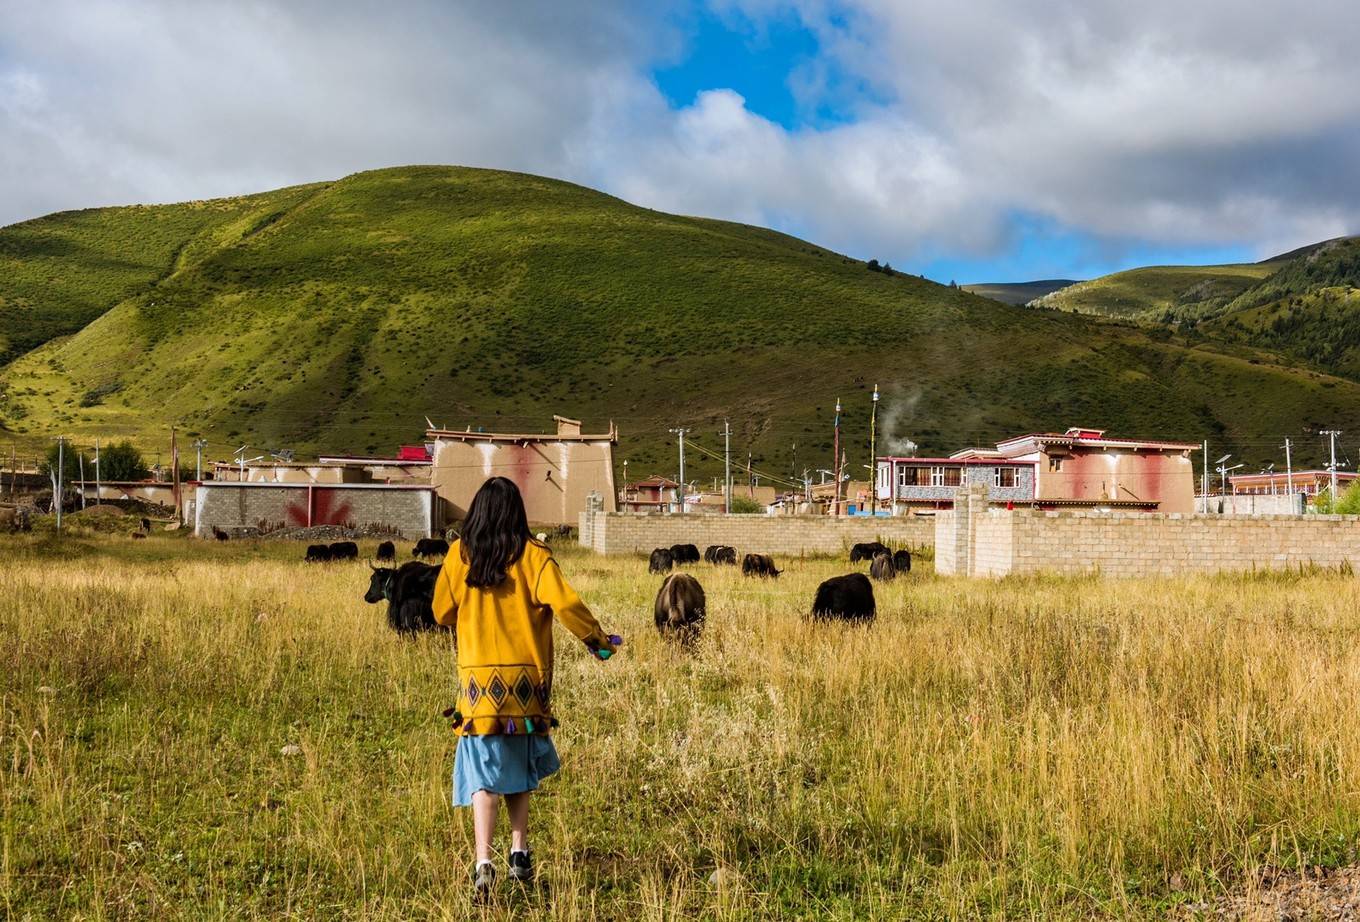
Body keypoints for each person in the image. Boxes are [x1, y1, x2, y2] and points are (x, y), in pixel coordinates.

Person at [432, 477, 618, 902]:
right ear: (517, 513)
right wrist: (599, 644)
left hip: (479, 692)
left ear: (477, 512)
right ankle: (519, 852)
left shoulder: (460, 557)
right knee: (518, 772)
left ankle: (483, 862)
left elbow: (441, 611)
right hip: (525, 692)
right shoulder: (535, 557)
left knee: (484, 779)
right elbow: (567, 604)